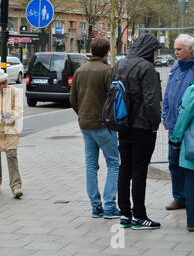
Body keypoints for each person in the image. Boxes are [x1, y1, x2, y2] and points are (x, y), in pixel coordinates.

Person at [116, 33, 163, 230]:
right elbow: (152, 102)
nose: (155, 53)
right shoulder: (147, 68)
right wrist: (155, 124)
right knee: (139, 171)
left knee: (124, 168)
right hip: (142, 126)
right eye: (154, 50)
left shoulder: (120, 64)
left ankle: (125, 214)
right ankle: (139, 216)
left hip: (123, 124)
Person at [70, 37, 120, 219]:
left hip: (85, 124)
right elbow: (114, 99)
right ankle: (109, 206)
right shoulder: (108, 71)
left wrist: (82, 114)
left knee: (91, 165)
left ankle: (95, 207)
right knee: (113, 163)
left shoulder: (80, 71)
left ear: (91, 50)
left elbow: (73, 100)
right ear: (107, 52)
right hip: (104, 124)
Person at [162, 34, 194, 211]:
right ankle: (179, 197)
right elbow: (167, 94)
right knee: (173, 162)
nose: (176, 53)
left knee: (190, 163)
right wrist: (165, 115)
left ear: (190, 49)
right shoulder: (175, 67)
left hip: (189, 128)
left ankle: (190, 199)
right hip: (173, 126)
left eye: (179, 49)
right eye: (175, 49)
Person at [169, 83, 194, 232]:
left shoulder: (192, 91)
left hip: (192, 148)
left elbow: (183, 116)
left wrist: (175, 139)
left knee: (191, 183)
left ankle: (192, 221)